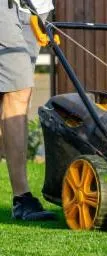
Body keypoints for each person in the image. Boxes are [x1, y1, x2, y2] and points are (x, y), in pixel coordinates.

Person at [0, 0, 55, 221]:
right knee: (19, 89)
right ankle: (22, 198)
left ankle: (21, 199)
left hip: (38, 7)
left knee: (14, 94)